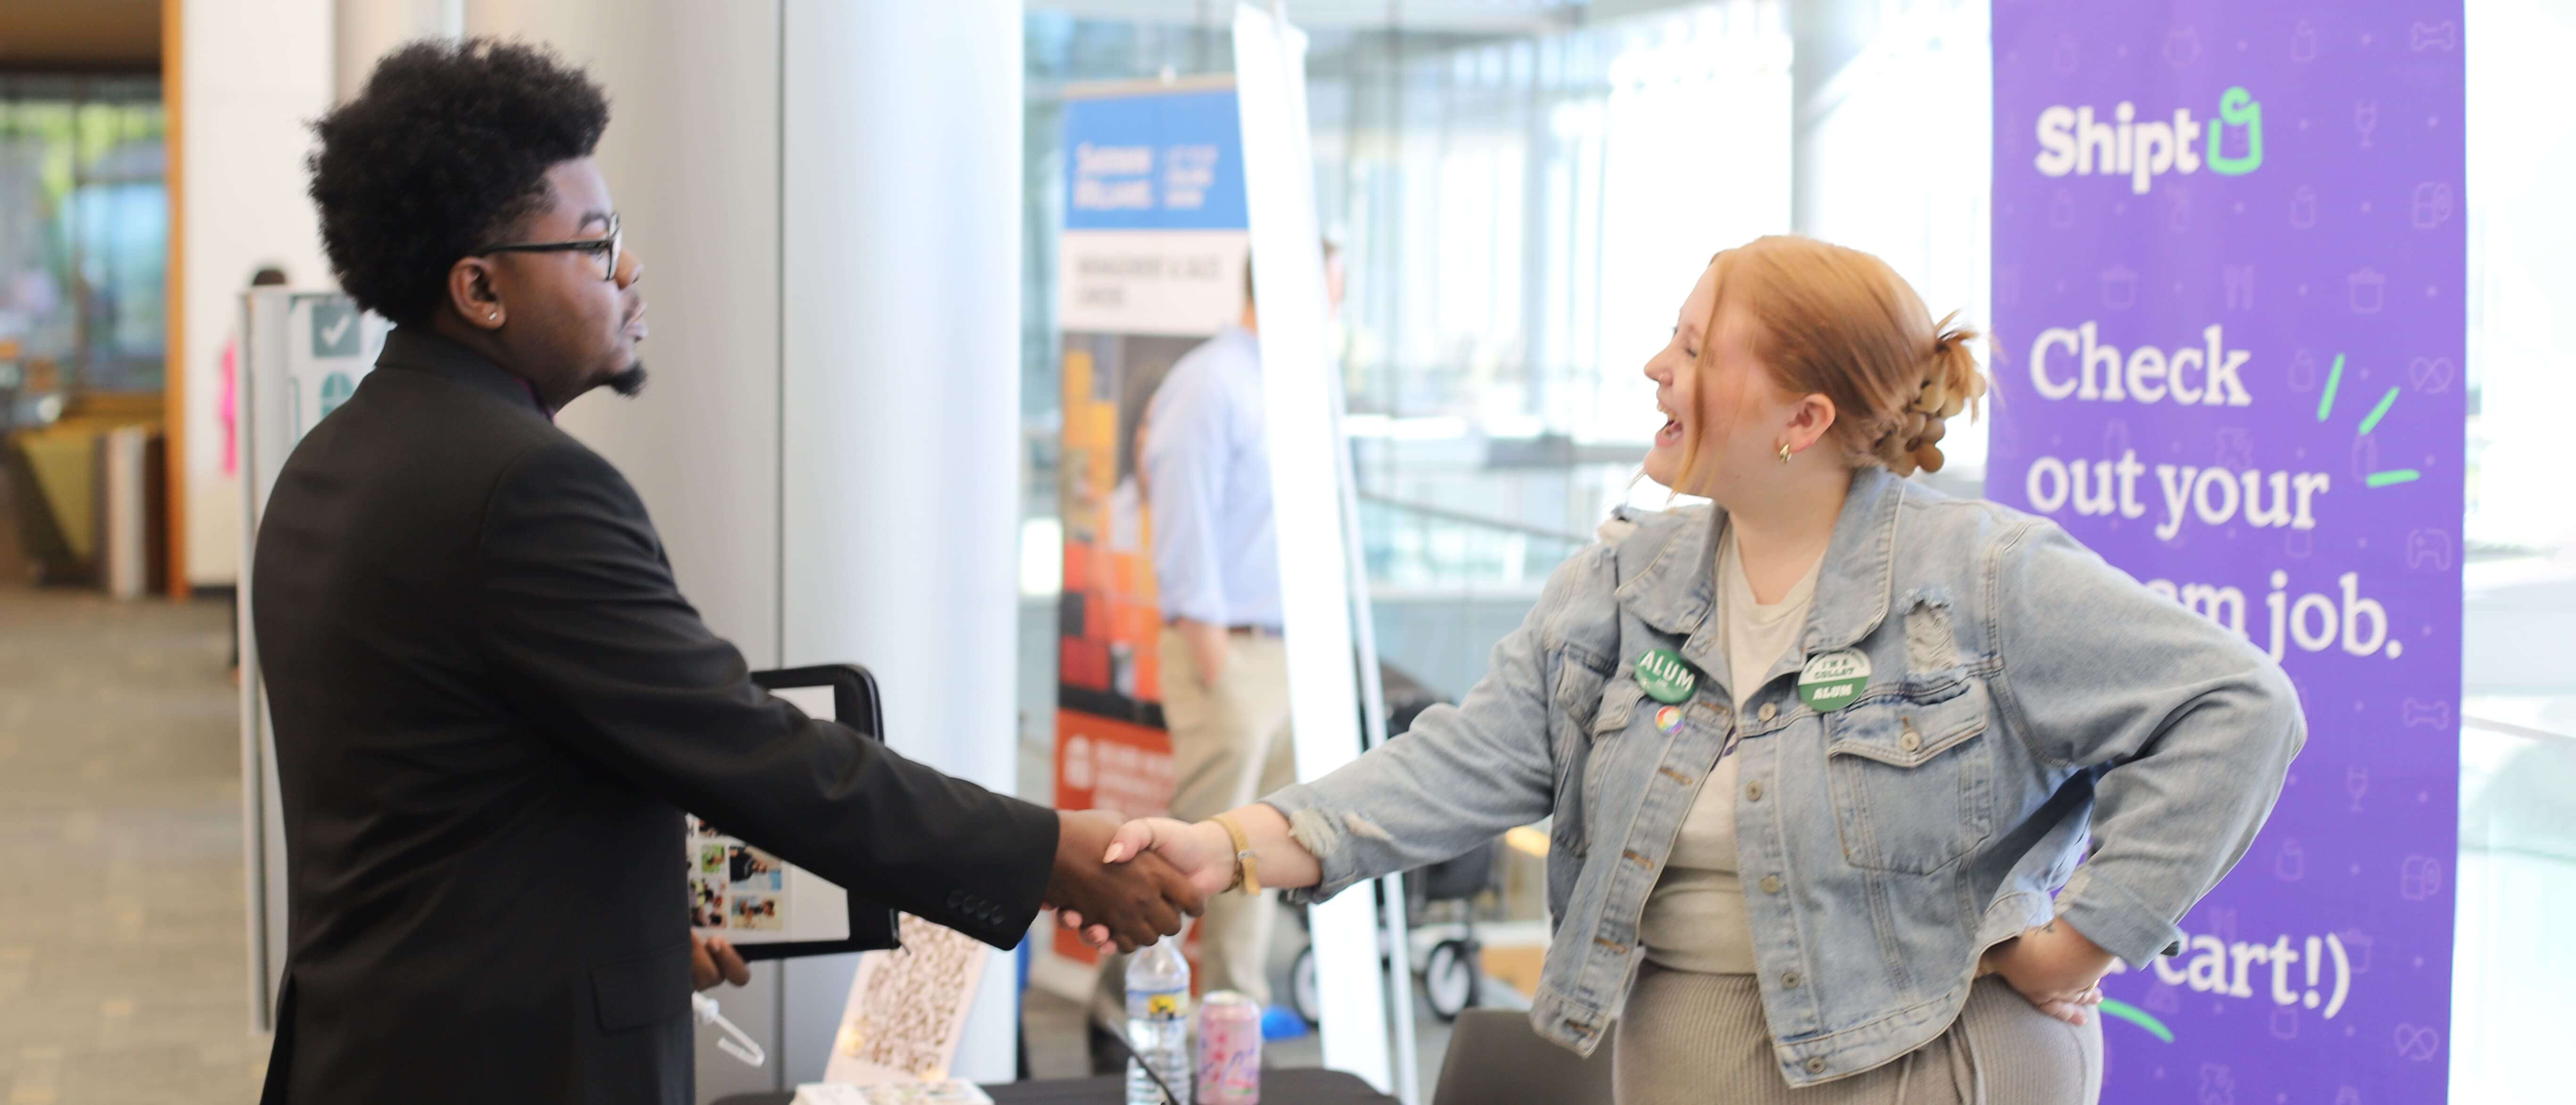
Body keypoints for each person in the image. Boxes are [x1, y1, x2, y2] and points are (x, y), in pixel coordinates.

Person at [1078, 235, 2305, 1103]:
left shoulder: (1980, 576)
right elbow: (1465, 763)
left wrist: (2076, 943)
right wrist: (1232, 843)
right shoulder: (1631, 583)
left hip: (1931, 1067)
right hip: (1681, 1064)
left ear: (1804, 418)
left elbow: (2236, 712)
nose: (1656, 372)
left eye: (1692, 348)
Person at [254, 40, 1198, 1105]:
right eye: (596, 244)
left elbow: (447, 796)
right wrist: (1043, 854)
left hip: (375, 1044)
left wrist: (634, 922)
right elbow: (750, 747)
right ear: (479, 287)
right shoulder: (524, 487)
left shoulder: (329, 458)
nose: (629, 270)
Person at [1088, 242, 1347, 1043]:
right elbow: (1185, 521)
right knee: (1191, 845)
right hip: (1226, 654)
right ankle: (1110, 1000)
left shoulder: (1292, 386)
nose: (1337, 311)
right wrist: (1212, 655)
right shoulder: (1210, 382)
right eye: (1330, 293)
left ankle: (1230, 1010)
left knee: (1260, 848)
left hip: (1288, 653)